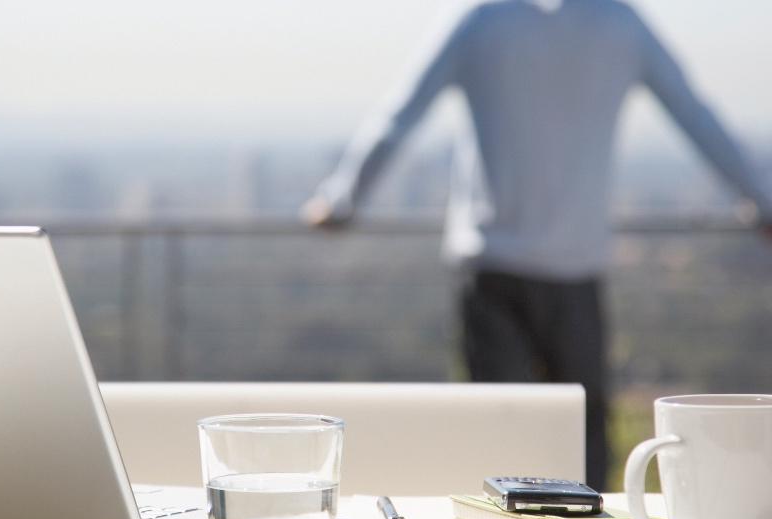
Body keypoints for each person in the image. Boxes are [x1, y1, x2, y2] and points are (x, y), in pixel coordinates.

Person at [303, 0, 772, 490]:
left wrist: (341, 201)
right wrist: (762, 200)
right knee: (584, 438)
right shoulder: (619, 23)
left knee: (499, 438)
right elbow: (695, 114)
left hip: (493, 270)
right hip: (576, 273)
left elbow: (399, 114)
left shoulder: (482, 20)